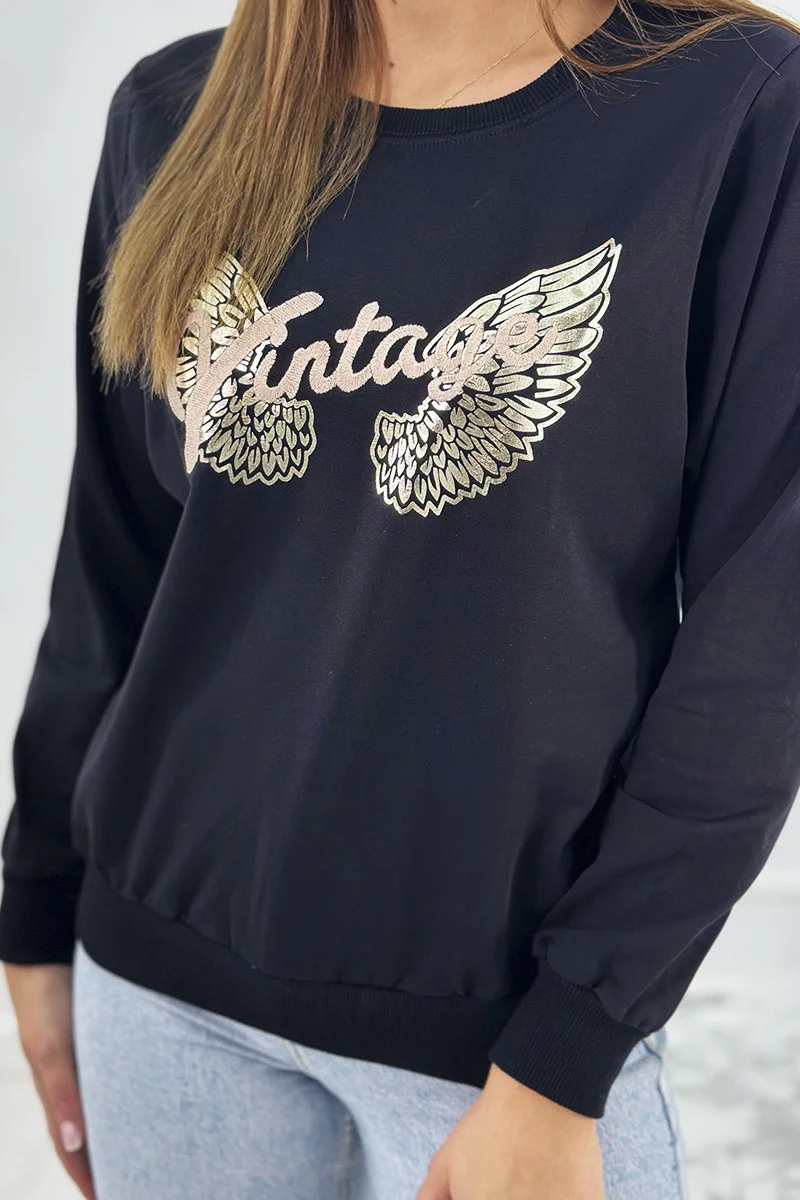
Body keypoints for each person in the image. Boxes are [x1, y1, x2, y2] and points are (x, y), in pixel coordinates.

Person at [2, 0, 800, 1195]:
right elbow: (113, 563)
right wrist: (34, 909)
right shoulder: (175, 112)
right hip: (158, 997)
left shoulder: (736, 111)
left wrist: (567, 1051)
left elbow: (760, 645)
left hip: (498, 1046)